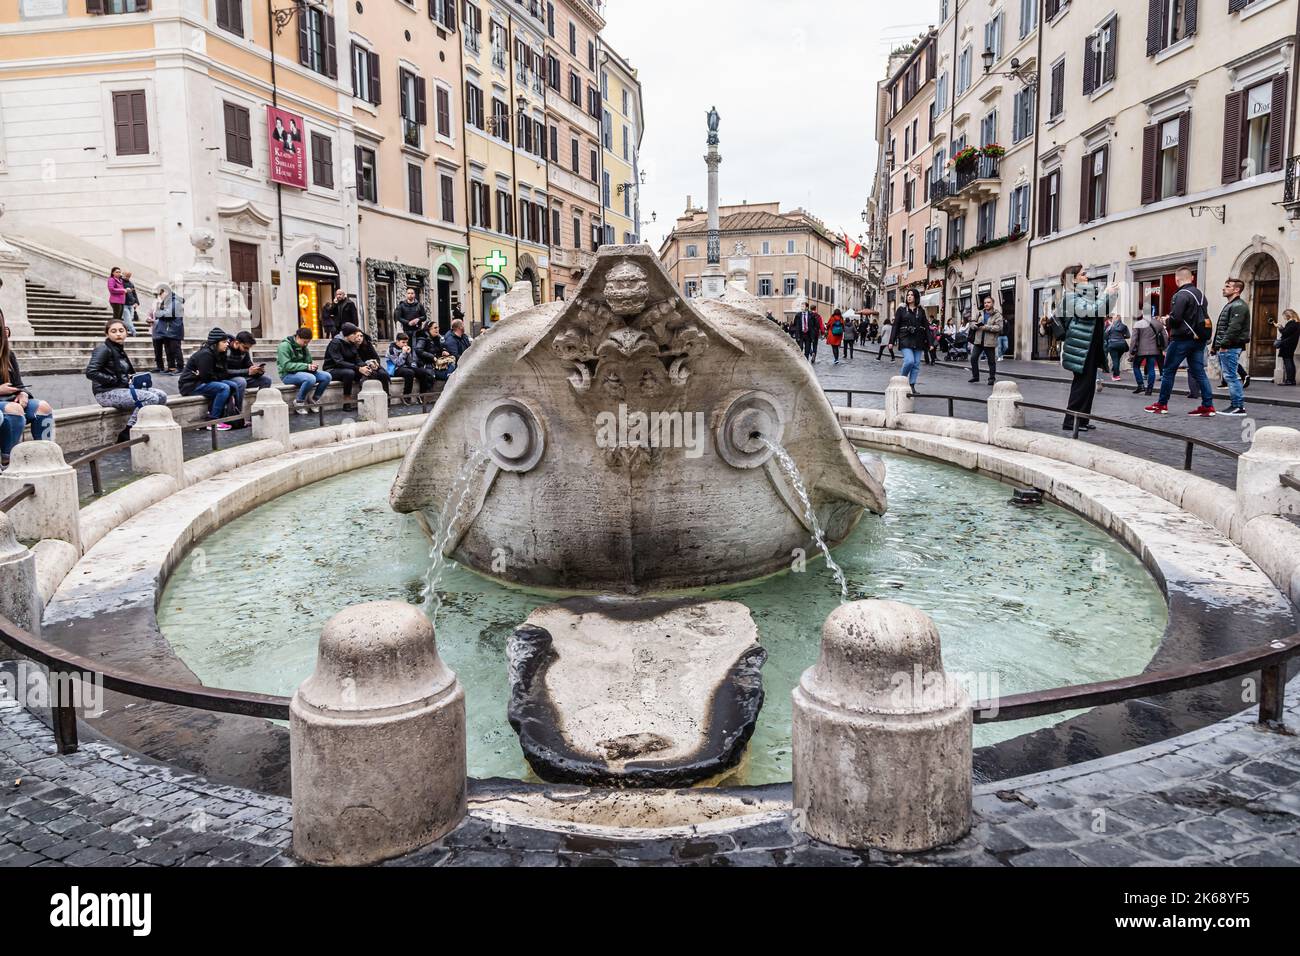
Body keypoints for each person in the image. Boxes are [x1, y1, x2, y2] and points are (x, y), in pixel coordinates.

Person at [1146, 267, 1217, 416]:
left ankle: (1162, 404)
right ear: (1191, 278)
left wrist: (1167, 320)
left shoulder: (1180, 295)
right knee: (1199, 372)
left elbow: (1176, 319)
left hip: (1181, 339)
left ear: (1177, 280)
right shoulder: (1201, 295)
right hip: (1199, 339)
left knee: (1168, 371)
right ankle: (1207, 405)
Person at [85, 318, 169, 442]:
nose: (118, 334)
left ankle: (147, 425)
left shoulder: (119, 349)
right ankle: (128, 432)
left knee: (161, 395)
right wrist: (114, 380)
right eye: (113, 331)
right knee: (150, 398)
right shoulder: (103, 349)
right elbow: (91, 372)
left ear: (126, 332)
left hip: (121, 388)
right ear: (107, 334)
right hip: (106, 392)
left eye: (121, 330)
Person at [1058, 264, 1119, 431]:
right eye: (1083, 274)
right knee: (1081, 384)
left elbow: (1103, 310)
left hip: (1090, 345)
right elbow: (1090, 311)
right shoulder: (1071, 296)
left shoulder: (1086, 294)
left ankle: (1082, 420)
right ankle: (1070, 422)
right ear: (1074, 279)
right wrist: (1105, 294)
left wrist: (1112, 295)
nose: (1086, 276)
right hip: (1080, 346)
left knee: (1089, 384)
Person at [0, 319, 54, 468]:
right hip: (7, 405)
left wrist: (23, 394)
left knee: (43, 407)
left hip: (10, 400)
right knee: (14, 410)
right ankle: (8, 459)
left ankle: (47, 454)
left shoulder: (8, 354)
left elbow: (19, 384)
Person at [178, 327, 238, 429]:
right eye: (224, 342)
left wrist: (210, 374)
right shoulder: (205, 354)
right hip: (190, 385)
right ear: (216, 343)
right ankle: (213, 421)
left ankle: (234, 415)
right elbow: (207, 377)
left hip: (200, 381)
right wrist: (210, 375)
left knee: (233, 385)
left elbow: (223, 373)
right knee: (224, 387)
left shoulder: (219, 354)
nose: (227, 344)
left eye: (227, 342)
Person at [1211, 278, 1250, 416]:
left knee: (1231, 377)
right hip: (1226, 346)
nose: (1223, 288)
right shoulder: (1231, 305)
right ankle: (1235, 405)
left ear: (1236, 290)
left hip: (1230, 346)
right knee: (1230, 376)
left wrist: (1223, 345)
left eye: (1227, 286)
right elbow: (1221, 327)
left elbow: (1234, 328)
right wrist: (1215, 346)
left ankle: (1238, 406)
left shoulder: (1239, 305)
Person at [325, 322, 390, 404]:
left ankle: (370, 398)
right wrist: (358, 368)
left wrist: (367, 366)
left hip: (346, 368)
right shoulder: (335, 343)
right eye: (354, 334)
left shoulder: (351, 343)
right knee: (349, 373)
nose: (356, 336)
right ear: (347, 334)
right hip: (332, 369)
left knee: (369, 372)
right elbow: (339, 362)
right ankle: (346, 398)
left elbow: (357, 359)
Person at [277, 327, 332, 414]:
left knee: (327, 376)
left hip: (303, 373)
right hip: (287, 375)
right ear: (298, 337)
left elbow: (308, 362)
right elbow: (286, 366)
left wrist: (312, 367)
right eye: (305, 342)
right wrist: (306, 366)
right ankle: (299, 402)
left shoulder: (303, 346)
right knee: (310, 378)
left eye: (308, 342)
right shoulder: (284, 346)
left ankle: (313, 400)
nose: (306, 344)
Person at [223, 330, 272, 425]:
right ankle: (238, 415)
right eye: (245, 347)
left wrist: (258, 371)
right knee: (241, 382)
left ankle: (259, 411)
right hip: (227, 378)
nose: (247, 350)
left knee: (266, 380)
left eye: (248, 348)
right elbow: (223, 372)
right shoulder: (225, 349)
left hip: (241, 376)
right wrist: (247, 371)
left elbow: (249, 366)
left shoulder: (245, 352)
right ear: (237, 342)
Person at [894, 288, 929, 390]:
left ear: (916, 297)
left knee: (916, 364)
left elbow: (926, 327)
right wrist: (891, 341)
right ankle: (901, 380)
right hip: (905, 339)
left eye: (911, 295)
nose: (909, 296)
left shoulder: (921, 311)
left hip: (918, 339)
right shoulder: (901, 310)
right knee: (909, 361)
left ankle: (912, 385)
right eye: (908, 295)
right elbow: (895, 326)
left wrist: (931, 343)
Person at [388, 333, 437, 399]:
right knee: (409, 373)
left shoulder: (405, 348)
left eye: (406, 342)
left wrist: (409, 355)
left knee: (422, 372)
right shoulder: (391, 350)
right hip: (395, 369)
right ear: (397, 341)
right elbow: (398, 363)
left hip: (406, 367)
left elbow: (410, 362)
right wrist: (404, 353)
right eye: (403, 342)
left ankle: (422, 395)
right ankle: (406, 396)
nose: (405, 344)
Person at [968, 294, 1003, 386]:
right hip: (978, 340)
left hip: (989, 341)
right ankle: (975, 377)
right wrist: (974, 325)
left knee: (991, 361)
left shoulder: (997, 315)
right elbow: (972, 322)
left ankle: (991, 378)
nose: (986, 304)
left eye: (988, 302)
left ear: (992, 303)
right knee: (973, 358)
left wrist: (986, 327)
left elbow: (999, 327)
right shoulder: (979, 313)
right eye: (985, 303)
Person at [150, 283, 185, 373]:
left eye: (160, 294)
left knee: (176, 350)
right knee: (168, 350)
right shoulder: (169, 302)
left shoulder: (175, 302)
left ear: (165, 292)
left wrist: (158, 313)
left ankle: (180, 368)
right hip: (168, 330)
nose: (160, 297)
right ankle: (171, 367)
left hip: (174, 330)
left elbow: (169, 314)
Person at [1129, 311, 1165, 396]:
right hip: (1154, 350)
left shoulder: (1138, 324)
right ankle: (1149, 389)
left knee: (1135, 366)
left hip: (1141, 350)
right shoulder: (1158, 323)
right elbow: (1164, 336)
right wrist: (1164, 348)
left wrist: (1131, 351)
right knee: (1151, 368)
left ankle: (1140, 385)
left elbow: (1134, 339)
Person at [1104, 315, 1130, 382]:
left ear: (1114, 319)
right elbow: (1128, 335)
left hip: (1112, 344)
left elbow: (1105, 335)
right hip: (1122, 345)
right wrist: (1122, 337)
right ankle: (1116, 372)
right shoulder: (1124, 326)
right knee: (1117, 359)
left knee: (1115, 360)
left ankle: (1116, 375)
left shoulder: (1110, 327)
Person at [1276, 309, 1299, 386]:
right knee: (1290, 361)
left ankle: (1289, 380)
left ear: (1288, 315)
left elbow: (1285, 333)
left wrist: (1279, 327)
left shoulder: (1292, 323)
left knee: (1288, 362)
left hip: (1287, 345)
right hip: (1291, 344)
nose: (1284, 318)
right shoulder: (1296, 323)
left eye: (1284, 316)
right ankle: (1291, 380)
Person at [121, 270, 140, 336]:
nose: (127, 277)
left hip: (131, 304)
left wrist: (137, 302)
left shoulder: (131, 283)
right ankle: (134, 332)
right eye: (126, 275)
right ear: (123, 274)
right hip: (124, 304)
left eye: (129, 276)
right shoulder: (120, 282)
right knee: (128, 319)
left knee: (129, 319)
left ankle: (124, 331)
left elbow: (134, 293)